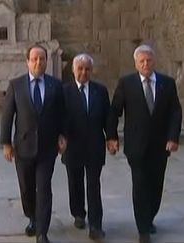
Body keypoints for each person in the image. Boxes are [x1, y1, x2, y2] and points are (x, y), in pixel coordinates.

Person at [107, 44, 182, 243]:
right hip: (136, 145)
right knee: (140, 184)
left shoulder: (167, 83)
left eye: (148, 60)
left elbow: (175, 111)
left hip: (160, 146)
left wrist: (173, 137)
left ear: (154, 62)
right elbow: (114, 111)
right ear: (136, 63)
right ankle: (143, 229)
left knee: (156, 185)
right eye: (142, 61)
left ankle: (149, 218)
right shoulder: (126, 83)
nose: (146, 64)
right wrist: (112, 137)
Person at [0, 44, 67, 243]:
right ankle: (32, 217)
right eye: (35, 59)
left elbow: (62, 113)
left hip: (47, 148)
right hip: (23, 147)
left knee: (44, 188)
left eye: (42, 59)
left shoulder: (56, 85)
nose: (39, 62)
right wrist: (6, 143)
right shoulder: (16, 85)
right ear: (28, 61)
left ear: (47, 61)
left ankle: (42, 232)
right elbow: (7, 115)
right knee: (27, 188)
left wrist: (63, 134)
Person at [61, 53, 110, 241]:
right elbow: (60, 116)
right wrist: (60, 136)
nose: (84, 72)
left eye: (87, 69)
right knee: (74, 182)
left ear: (92, 71)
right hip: (72, 145)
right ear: (73, 70)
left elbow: (108, 116)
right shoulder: (65, 91)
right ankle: (79, 213)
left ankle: (96, 225)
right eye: (80, 68)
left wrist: (111, 137)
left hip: (94, 146)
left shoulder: (100, 91)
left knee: (93, 185)